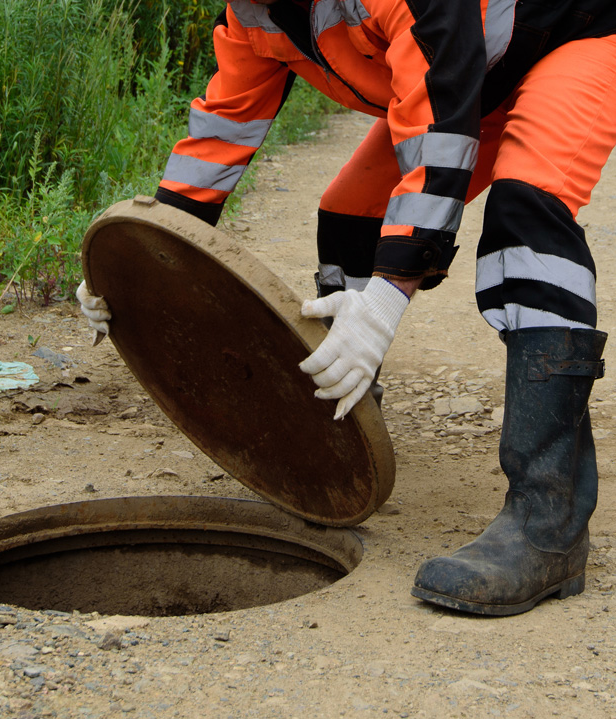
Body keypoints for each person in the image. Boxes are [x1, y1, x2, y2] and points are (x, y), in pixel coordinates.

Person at [78, 0, 616, 616]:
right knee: (351, 215)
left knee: (526, 222)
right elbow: (221, 132)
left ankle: (547, 523)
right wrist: (138, 264)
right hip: (470, 76)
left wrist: (386, 300)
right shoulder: (249, 13)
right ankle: (342, 435)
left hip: (575, 38)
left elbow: (438, 137)